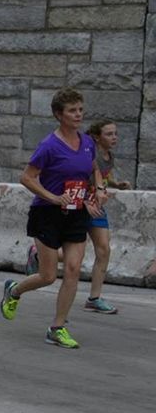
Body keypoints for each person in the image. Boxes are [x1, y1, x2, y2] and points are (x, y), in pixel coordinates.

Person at [1, 88, 108, 348]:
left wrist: (100, 189)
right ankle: (14, 291)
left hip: (76, 214)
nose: (78, 115)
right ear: (59, 115)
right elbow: (26, 177)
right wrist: (52, 197)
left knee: (73, 269)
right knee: (48, 276)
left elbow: (94, 169)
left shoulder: (86, 143)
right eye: (72, 110)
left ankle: (57, 327)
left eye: (80, 110)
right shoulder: (49, 146)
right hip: (47, 213)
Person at [81, 119, 129, 314]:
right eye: (109, 134)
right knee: (73, 253)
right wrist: (85, 202)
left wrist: (117, 185)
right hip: (80, 205)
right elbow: (80, 179)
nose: (114, 137)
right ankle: (38, 255)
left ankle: (94, 298)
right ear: (97, 137)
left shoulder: (109, 156)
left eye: (115, 133)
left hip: (98, 206)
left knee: (104, 250)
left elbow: (104, 177)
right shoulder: (88, 155)